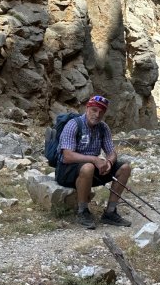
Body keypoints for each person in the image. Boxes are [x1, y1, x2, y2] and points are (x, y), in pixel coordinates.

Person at [55, 95, 132, 229]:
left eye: (101, 112)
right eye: (94, 110)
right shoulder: (73, 125)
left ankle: (110, 212)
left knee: (125, 168)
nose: (97, 115)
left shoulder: (103, 128)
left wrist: (109, 162)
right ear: (87, 108)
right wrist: (94, 159)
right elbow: (67, 156)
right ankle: (82, 211)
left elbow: (111, 152)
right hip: (66, 171)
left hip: (90, 170)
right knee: (88, 167)